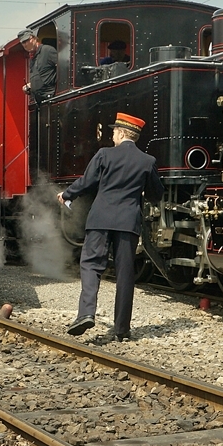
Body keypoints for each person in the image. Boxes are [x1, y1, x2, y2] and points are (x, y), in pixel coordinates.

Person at [57, 112, 164, 341]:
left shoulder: (104, 154)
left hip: (100, 219)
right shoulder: (147, 161)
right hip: (128, 223)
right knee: (126, 275)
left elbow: (87, 182)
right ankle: (122, 330)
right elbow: (157, 194)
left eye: (114, 131)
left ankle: (86, 313)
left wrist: (67, 195)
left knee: (91, 265)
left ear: (122, 132)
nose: (112, 135)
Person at [18, 28, 57, 104]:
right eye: (23, 43)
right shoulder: (32, 58)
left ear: (34, 38)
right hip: (39, 101)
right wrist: (30, 86)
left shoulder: (48, 50)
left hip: (51, 98)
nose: (26, 44)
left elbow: (63, 68)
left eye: (27, 40)